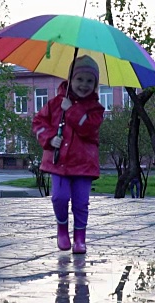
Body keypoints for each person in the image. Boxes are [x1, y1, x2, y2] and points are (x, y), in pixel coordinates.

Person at [32, 55, 105, 254]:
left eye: (90, 81)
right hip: (59, 162)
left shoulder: (96, 109)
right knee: (59, 198)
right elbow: (38, 123)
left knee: (81, 203)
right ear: (70, 79)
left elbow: (88, 129)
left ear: (96, 84)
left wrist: (71, 110)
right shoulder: (56, 103)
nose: (84, 85)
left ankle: (80, 238)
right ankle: (62, 230)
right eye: (79, 79)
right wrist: (48, 139)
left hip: (84, 164)